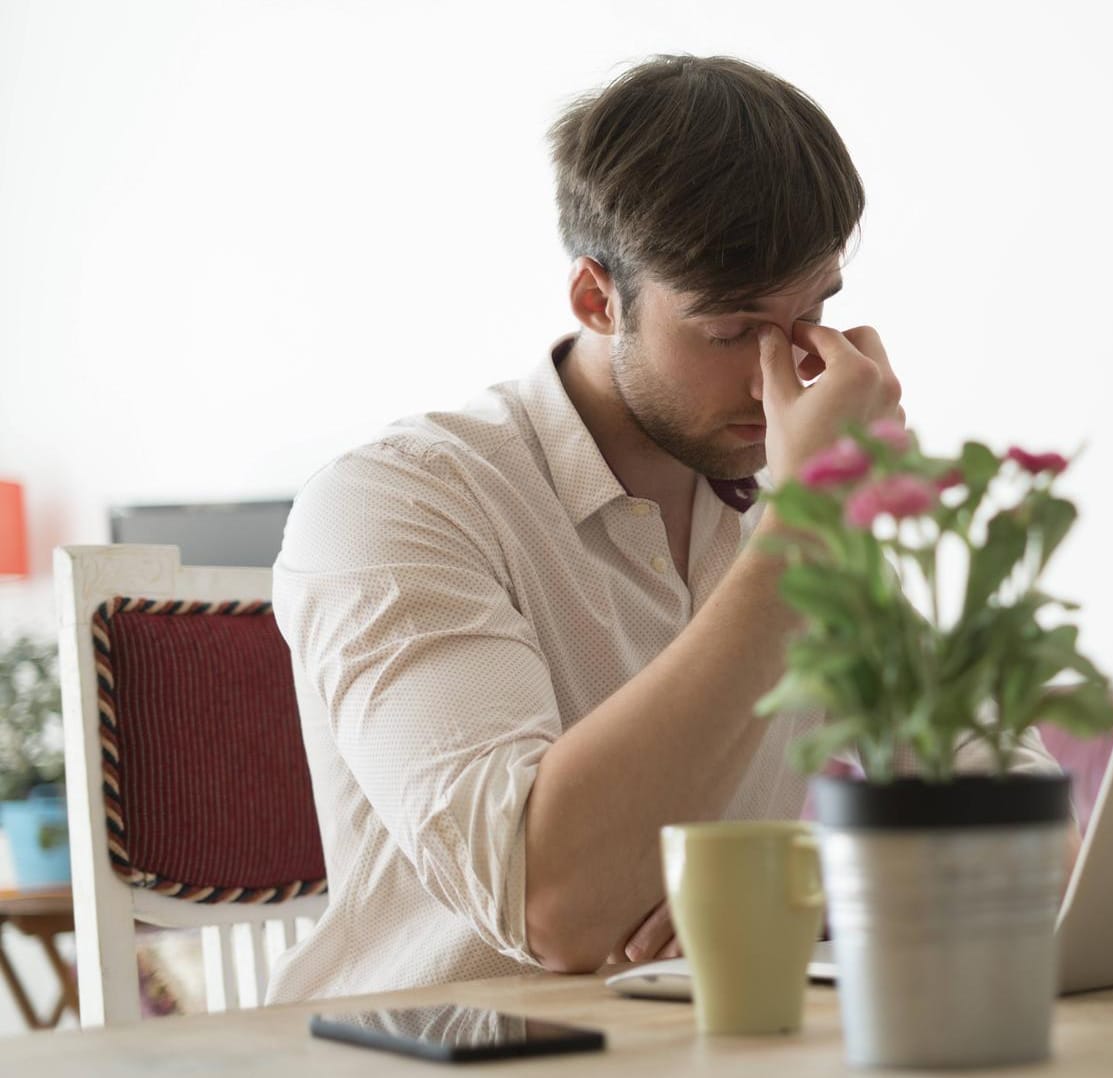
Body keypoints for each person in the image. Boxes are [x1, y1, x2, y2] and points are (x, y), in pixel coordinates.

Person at [265, 54, 1063, 1003]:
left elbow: (1016, 811)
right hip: (439, 1053)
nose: (785, 377)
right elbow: (552, 903)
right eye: (731, 332)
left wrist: (776, 874)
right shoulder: (396, 502)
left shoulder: (786, 500)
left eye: (814, 316)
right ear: (598, 298)